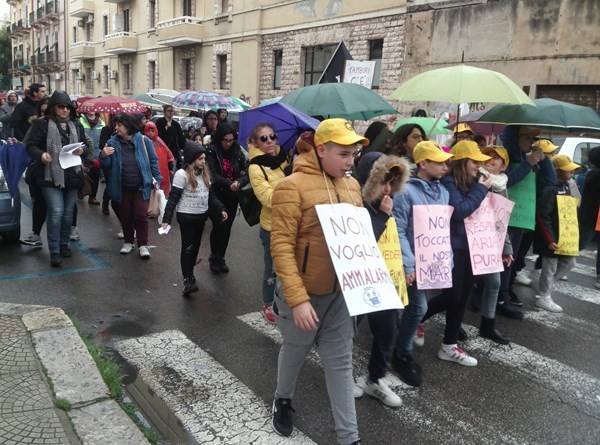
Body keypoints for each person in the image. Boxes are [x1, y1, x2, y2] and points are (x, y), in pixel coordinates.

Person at [270, 118, 366, 444]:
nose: (351, 160)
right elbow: (281, 247)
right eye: (344, 153)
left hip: (341, 295)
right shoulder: (291, 186)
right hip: (305, 295)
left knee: (340, 365)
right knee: (294, 353)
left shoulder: (352, 187)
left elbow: (360, 242)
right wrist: (297, 299)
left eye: (353, 153)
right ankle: (282, 399)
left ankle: (349, 438)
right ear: (321, 149)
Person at [420, 141, 492, 366]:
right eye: (474, 161)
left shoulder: (475, 183)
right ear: (462, 162)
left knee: (462, 297)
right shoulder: (449, 182)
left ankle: (449, 345)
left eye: (480, 161)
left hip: (474, 246)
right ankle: (415, 320)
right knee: (452, 295)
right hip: (453, 246)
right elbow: (459, 211)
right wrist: (481, 190)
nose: (478, 165)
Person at [391, 141, 452, 387]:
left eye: (446, 162)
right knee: (417, 308)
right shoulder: (405, 191)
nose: (445, 167)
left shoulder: (444, 192)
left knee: (415, 308)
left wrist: (447, 259)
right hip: (415, 262)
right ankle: (401, 354)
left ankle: (400, 346)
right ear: (423, 163)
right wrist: (408, 264)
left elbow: (441, 229)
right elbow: (399, 229)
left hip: (433, 262)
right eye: (439, 162)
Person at [355, 151, 410, 407]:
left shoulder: (390, 204)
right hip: (359, 282)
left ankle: (375, 379)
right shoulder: (354, 206)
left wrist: (404, 269)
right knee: (348, 333)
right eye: (382, 182)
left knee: (388, 331)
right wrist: (381, 216)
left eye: (392, 183)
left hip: (385, 281)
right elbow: (361, 245)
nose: (388, 189)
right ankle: (341, 376)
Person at [25, 90, 91, 267]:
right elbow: (30, 146)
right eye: (61, 107)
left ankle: (63, 245)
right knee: (56, 212)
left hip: (72, 174)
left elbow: (85, 146)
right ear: (53, 108)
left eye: (67, 107)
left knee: (68, 213)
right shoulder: (42, 124)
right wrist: (41, 155)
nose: (65, 110)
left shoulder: (76, 125)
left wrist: (82, 151)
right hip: (49, 175)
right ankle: (54, 250)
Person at [496, 126, 556, 319]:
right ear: (515, 137)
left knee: (511, 263)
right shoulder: (507, 156)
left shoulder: (528, 159)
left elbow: (551, 180)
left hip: (523, 219)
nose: (531, 142)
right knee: (504, 262)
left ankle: (500, 296)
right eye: (528, 137)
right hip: (508, 218)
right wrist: (528, 163)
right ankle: (499, 300)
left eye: (534, 138)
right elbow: (507, 181)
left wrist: (544, 160)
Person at [161, 142, 227, 296]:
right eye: (200, 159)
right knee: (188, 248)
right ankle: (187, 279)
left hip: (201, 217)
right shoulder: (181, 175)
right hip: (186, 216)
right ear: (191, 159)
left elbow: (210, 196)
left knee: (195, 247)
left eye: (204, 158)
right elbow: (173, 198)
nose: (203, 162)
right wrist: (166, 219)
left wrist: (220, 208)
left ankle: (190, 274)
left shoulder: (205, 174)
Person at [100, 113, 162, 259]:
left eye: (119, 125)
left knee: (141, 215)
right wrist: (103, 156)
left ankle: (143, 245)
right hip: (122, 187)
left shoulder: (144, 141)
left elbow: (153, 161)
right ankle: (128, 242)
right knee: (126, 215)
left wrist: (157, 179)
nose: (116, 128)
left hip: (142, 186)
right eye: (116, 125)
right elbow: (107, 167)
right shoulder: (112, 142)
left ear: (129, 126)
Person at [468, 146, 513, 344]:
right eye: (488, 156)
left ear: (504, 166)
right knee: (463, 286)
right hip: (472, 238)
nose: (491, 160)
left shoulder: (503, 187)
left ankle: (488, 325)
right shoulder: (475, 179)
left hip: (491, 242)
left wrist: (507, 248)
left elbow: (502, 222)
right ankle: (453, 325)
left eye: (497, 158)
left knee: (494, 282)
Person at [247, 123, 289, 322]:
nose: (270, 141)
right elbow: (268, 198)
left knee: (290, 268)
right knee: (271, 268)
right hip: (272, 227)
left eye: (272, 136)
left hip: (291, 223)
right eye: (264, 138)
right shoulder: (255, 166)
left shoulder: (283, 158)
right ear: (255, 142)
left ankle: (285, 301)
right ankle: (267, 303)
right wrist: (292, 191)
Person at [533, 154, 580, 312]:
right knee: (549, 267)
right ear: (558, 171)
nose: (572, 173)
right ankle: (544, 296)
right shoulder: (550, 190)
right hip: (552, 237)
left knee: (570, 262)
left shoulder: (567, 187)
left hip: (565, 237)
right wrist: (549, 238)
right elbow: (542, 215)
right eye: (569, 171)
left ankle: (545, 289)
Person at [206, 124, 248, 273]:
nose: (228, 143)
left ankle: (221, 256)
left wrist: (238, 182)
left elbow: (246, 173)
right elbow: (212, 175)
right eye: (225, 140)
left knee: (227, 227)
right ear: (219, 139)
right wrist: (229, 183)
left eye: (231, 140)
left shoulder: (237, 151)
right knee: (219, 225)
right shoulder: (212, 151)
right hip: (217, 193)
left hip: (232, 194)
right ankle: (214, 256)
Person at [21, 97, 49, 247]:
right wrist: (39, 154)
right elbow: (26, 144)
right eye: (42, 112)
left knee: (62, 207)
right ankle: (36, 234)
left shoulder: (67, 125)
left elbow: (85, 142)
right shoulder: (37, 125)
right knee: (40, 204)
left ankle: (69, 232)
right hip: (39, 170)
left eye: (48, 111)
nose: (45, 114)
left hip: (61, 171)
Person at [578, 146, 600, 289]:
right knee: (579, 243)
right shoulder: (594, 175)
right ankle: (556, 262)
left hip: (594, 217)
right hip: (591, 217)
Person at [79, 112, 105, 205]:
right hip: (83, 153)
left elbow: (103, 139)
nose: (91, 109)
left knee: (95, 176)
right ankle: (81, 190)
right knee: (82, 175)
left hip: (97, 154)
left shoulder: (101, 123)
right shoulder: (80, 120)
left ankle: (92, 196)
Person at [144, 121, 174, 198]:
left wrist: (170, 167)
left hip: (163, 172)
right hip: (149, 172)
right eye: (148, 131)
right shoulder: (143, 142)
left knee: (162, 195)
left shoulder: (160, 142)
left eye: (152, 131)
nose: (150, 133)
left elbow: (169, 155)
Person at [155, 105, 185, 169]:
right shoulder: (160, 122)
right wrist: (166, 128)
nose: (170, 113)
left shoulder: (176, 124)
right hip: (162, 151)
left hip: (173, 153)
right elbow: (157, 136)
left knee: (172, 172)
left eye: (172, 111)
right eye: (168, 111)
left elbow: (181, 138)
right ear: (164, 112)